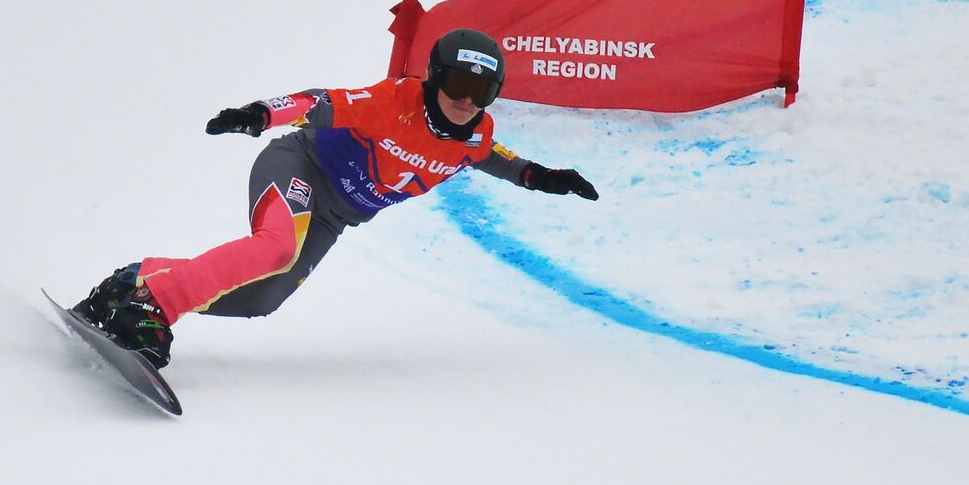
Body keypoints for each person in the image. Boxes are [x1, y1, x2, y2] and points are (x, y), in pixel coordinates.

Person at [72, 28, 598, 368]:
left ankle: (138, 280)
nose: (466, 100)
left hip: (333, 218)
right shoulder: (393, 103)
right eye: (458, 82)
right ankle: (157, 308)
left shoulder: (475, 136)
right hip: (299, 166)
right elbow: (317, 102)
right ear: (436, 77)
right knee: (276, 247)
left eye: (480, 92)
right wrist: (258, 114)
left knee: (262, 299)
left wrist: (543, 177)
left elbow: (500, 160)